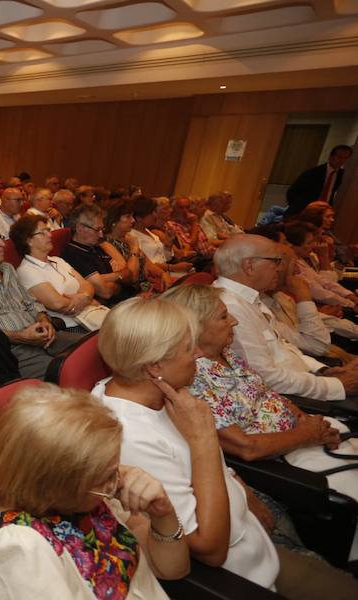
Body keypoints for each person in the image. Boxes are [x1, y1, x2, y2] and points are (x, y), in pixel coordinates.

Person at [93, 297, 358, 598]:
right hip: (237, 575)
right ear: (154, 366)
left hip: (254, 544)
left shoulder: (159, 391)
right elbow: (209, 549)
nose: (200, 353)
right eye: (188, 347)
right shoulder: (129, 436)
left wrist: (241, 489)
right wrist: (205, 438)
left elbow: (205, 469)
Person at [0, 384, 189, 599]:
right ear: (55, 486)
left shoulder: (86, 499)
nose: (120, 478)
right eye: (107, 475)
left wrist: (163, 513)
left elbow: (171, 570)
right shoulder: (19, 549)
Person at [162, 284, 358, 503]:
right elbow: (246, 448)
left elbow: (266, 394)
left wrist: (306, 423)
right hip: (280, 469)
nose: (234, 322)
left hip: (301, 439)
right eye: (224, 317)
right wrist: (307, 434)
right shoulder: (193, 378)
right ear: (194, 329)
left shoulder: (225, 353)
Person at [212, 235, 358, 400]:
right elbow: (262, 378)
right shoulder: (230, 307)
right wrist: (337, 385)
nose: (279, 269)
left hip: (302, 382)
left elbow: (284, 348)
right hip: (286, 398)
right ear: (250, 266)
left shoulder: (249, 298)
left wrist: (322, 370)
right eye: (276, 261)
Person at [0, 221, 85, 379]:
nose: (3, 244)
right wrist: (20, 336)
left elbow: (31, 302)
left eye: (1, 238)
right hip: (11, 350)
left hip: (42, 336)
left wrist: (44, 320)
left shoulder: (7, 269)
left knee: (92, 349)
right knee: (66, 372)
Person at [12, 214, 102, 333]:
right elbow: (58, 303)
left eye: (48, 230)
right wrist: (89, 300)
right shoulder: (27, 270)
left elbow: (87, 284)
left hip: (92, 315)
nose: (49, 235)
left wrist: (84, 297)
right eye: (42, 233)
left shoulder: (58, 260)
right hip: (73, 326)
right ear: (28, 241)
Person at [62, 204, 136, 306]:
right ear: (80, 229)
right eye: (97, 229)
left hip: (128, 299)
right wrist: (119, 278)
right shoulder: (74, 254)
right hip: (113, 307)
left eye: (102, 229)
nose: (101, 234)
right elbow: (106, 292)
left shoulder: (98, 246)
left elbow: (129, 274)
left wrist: (108, 277)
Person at [286, 145, 353, 216]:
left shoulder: (341, 175)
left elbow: (332, 192)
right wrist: (297, 207)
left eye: (346, 158)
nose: (342, 161)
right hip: (303, 210)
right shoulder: (313, 172)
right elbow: (292, 192)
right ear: (331, 156)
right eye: (339, 157)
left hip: (322, 211)